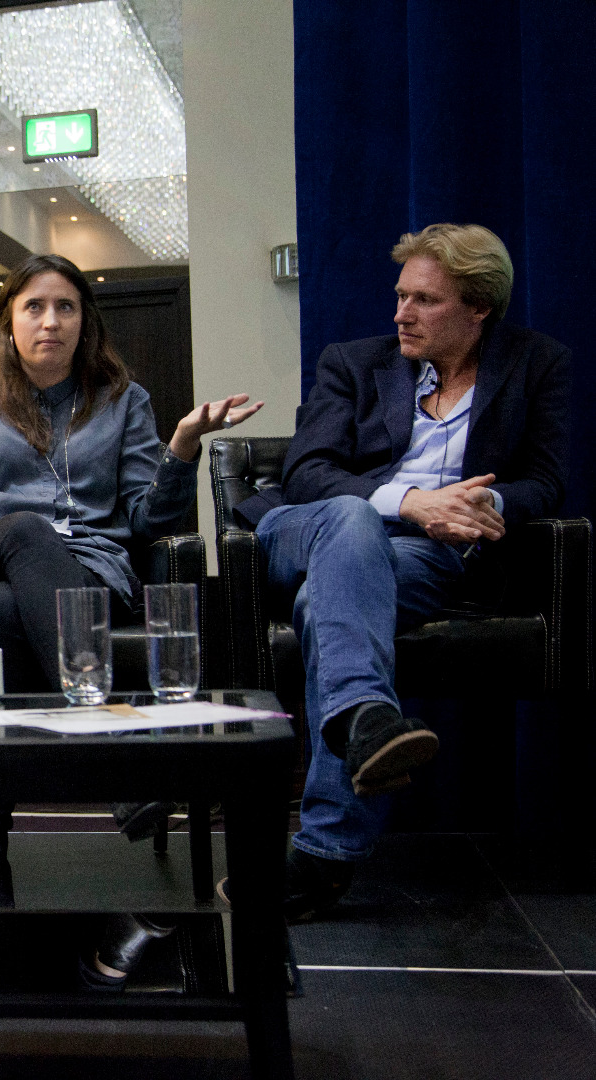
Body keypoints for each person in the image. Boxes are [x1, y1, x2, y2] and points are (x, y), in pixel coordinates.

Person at [0, 254, 261, 981]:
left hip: (86, 571)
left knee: (3, 610)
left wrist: (182, 448)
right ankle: (120, 763)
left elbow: (148, 520)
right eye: (34, 306)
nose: (49, 321)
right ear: (8, 321)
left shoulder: (122, 400)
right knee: (22, 533)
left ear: (85, 322)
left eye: (65, 307)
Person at [228, 223, 570, 920]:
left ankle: (344, 788)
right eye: (400, 296)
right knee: (351, 522)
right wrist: (411, 501)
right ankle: (350, 772)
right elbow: (308, 473)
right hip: (310, 528)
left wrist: (482, 504)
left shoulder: (536, 364)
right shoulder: (353, 363)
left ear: (478, 308)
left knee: (325, 605)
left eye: (424, 300)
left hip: (428, 554)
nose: (400, 314)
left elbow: (545, 479)